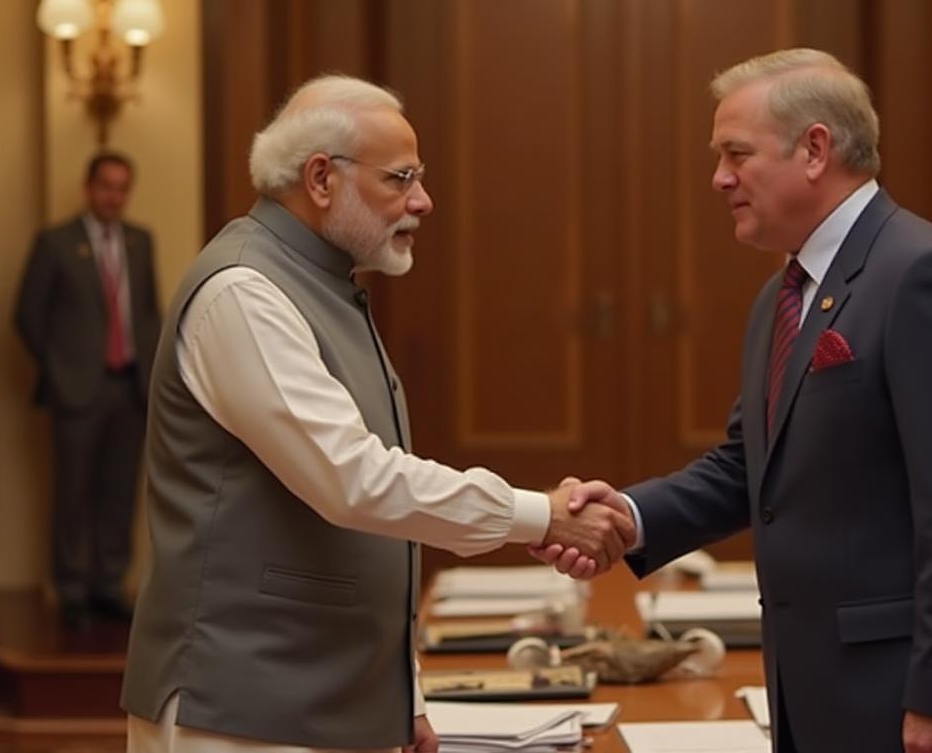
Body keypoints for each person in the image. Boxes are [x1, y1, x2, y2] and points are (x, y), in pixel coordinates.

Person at [537, 49, 932, 752]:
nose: (719, 178)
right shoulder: (783, 292)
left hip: (912, 694)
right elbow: (746, 466)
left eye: (736, 154)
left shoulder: (919, 273)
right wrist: (627, 518)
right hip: (825, 682)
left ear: (815, 149)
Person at [120, 75, 631, 753]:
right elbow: (355, 483)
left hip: (323, 698)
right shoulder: (244, 292)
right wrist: (541, 514)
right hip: (239, 710)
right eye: (400, 178)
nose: (422, 200)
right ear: (322, 178)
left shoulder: (321, 283)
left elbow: (372, 525)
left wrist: (403, 691)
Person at [15, 152, 161, 628]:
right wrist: (60, 369)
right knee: (72, 493)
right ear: (88, 187)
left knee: (119, 492)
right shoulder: (56, 242)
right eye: (106, 187)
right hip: (79, 389)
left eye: (122, 188)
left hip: (130, 387)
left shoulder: (140, 241)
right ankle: (72, 588)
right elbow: (27, 314)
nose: (114, 196)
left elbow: (148, 313)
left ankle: (108, 584)